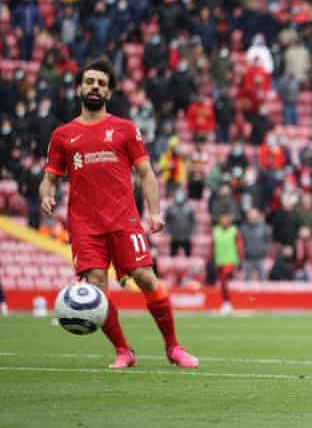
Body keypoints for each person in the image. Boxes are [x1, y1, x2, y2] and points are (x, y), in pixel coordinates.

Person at [40, 59, 198, 369]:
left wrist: (155, 212)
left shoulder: (125, 129)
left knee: (146, 277)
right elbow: (50, 178)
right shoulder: (62, 135)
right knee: (96, 285)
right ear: (79, 88)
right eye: (89, 82)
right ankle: (123, 351)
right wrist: (46, 195)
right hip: (84, 224)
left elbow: (146, 173)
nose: (95, 87)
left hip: (124, 218)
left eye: (101, 83)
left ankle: (173, 347)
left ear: (109, 93)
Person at [212, 212, 241, 315]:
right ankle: (226, 303)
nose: (224, 221)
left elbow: (239, 246)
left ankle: (228, 303)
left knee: (224, 280)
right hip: (219, 261)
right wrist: (211, 258)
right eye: (223, 219)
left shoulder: (234, 231)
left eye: (226, 219)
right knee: (222, 283)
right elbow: (213, 245)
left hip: (230, 261)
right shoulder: (215, 230)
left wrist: (240, 259)